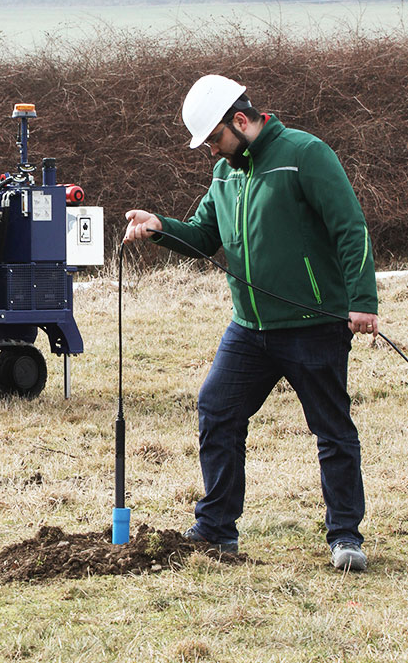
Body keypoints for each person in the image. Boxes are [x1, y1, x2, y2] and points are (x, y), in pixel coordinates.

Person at [123, 75, 378, 572]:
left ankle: (345, 536)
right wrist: (160, 228)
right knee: (216, 409)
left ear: (240, 121)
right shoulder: (226, 174)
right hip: (249, 329)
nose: (212, 150)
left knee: (332, 430)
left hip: (313, 324)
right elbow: (204, 235)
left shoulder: (305, 154)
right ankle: (216, 531)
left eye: (215, 138)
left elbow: (350, 227)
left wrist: (362, 301)